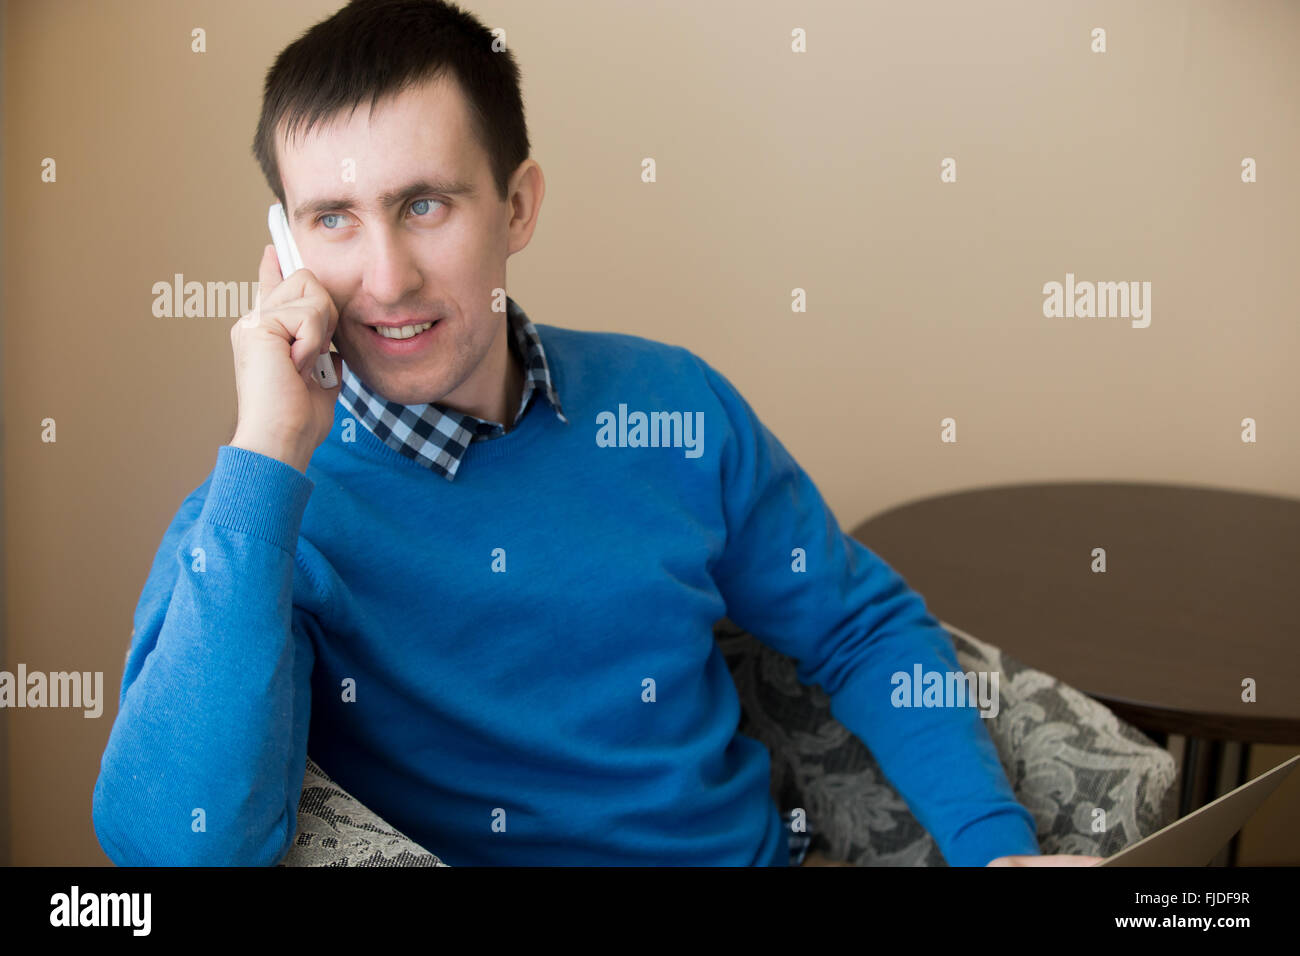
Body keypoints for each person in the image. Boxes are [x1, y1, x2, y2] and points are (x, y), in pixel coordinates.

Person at [92, 0, 1099, 868]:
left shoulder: (670, 400)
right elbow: (176, 848)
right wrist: (266, 452)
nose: (387, 278)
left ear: (516, 205)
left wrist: (993, 847)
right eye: (333, 220)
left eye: (424, 203)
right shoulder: (262, 513)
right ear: (286, 249)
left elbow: (858, 625)